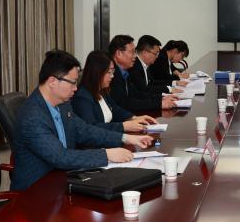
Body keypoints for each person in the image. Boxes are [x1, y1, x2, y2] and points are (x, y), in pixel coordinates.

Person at [10, 50, 154, 190]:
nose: (76, 88)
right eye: (73, 82)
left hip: (61, 177)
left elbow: (84, 130)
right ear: (52, 81)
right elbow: (60, 157)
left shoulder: (62, 103)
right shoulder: (33, 116)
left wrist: (125, 138)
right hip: (36, 190)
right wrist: (107, 155)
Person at [72, 50, 158, 133]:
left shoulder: (102, 91)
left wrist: (134, 118)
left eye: (113, 71)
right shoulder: (82, 97)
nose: (112, 76)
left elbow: (116, 110)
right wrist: (123, 126)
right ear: (97, 72)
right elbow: (91, 127)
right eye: (109, 72)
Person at [108, 35, 178, 113]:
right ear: (119, 53)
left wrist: (161, 98)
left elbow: (136, 94)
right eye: (132, 52)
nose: (135, 56)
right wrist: (158, 103)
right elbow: (124, 103)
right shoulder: (111, 74)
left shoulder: (123, 72)